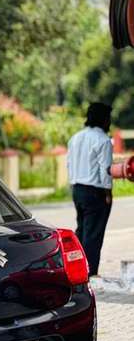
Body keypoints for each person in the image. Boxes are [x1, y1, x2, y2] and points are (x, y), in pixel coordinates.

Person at [67, 102, 114, 277]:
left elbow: (69, 164)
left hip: (77, 189)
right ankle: (89, 273)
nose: (109, 122)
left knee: (82, 232)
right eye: (108, 118)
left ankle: (75, 269)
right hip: (95, 192)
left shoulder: (75, 138)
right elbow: (105, 170)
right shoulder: (103, 140)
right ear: (104, 119)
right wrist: (108, 193)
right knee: (93, 235)